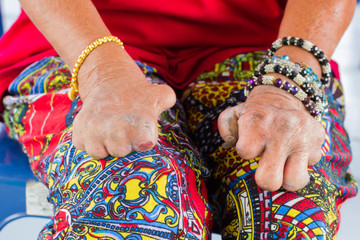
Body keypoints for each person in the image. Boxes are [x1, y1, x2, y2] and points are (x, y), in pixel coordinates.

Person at [0, 0, 357, 239]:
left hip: (274, 51)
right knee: (130, 198)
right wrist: (102, 72)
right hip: (80, 44)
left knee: (288, 208)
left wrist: (287, 85)